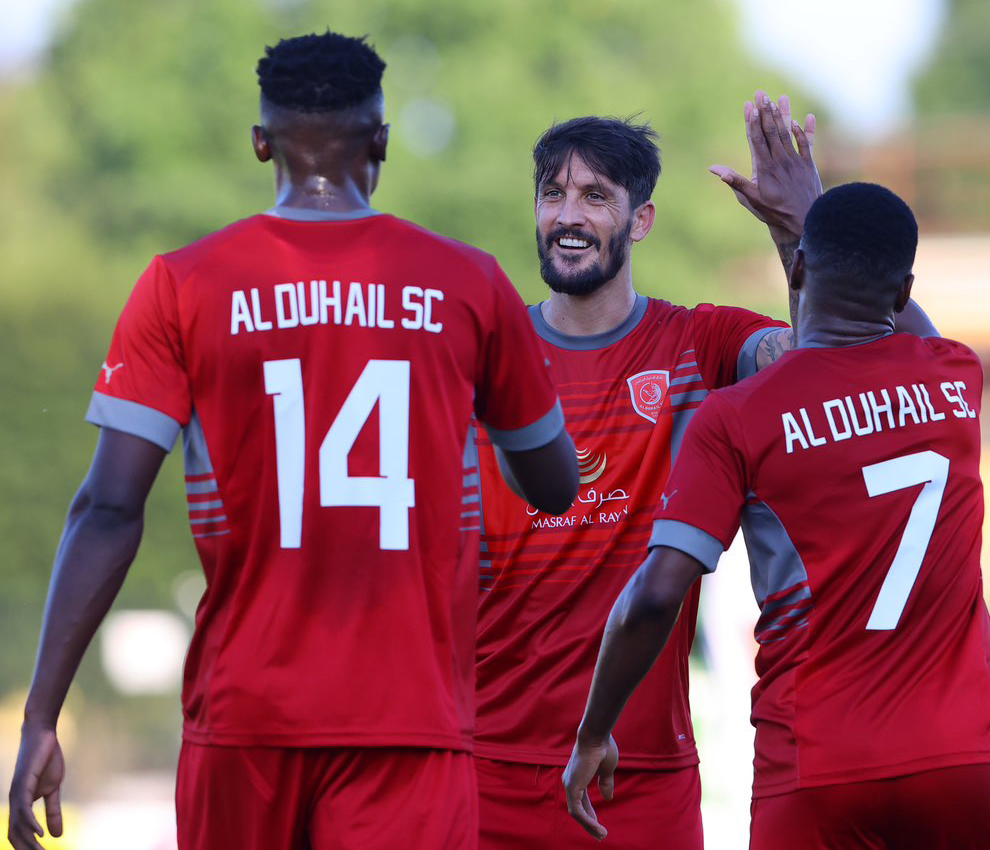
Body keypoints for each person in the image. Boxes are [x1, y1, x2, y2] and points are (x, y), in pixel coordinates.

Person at [7, 32, 579, 850]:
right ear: (381, 140)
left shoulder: (184, 282)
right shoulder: (469, 282)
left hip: (245, 720)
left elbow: (106, 508)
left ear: (259, 144)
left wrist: (40, 715)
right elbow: (555, 485)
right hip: (408, 719)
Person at [563, 182, 990, 849]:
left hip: (817, 767)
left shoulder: (740, 415)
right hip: (964, 760)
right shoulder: (956, 376)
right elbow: (917, 331)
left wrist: (594, 729)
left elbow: (657, 595)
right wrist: (804, 211)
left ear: (799, 270)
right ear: (903, 291)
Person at [472, 94, 821, 848]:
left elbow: (820, 359)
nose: (569, 214)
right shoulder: (483, 354)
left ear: (642, 221)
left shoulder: (699, 343)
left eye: (596, 196)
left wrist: (798, 229)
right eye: (553, 193)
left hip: (642, 774)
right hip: (488, 767)